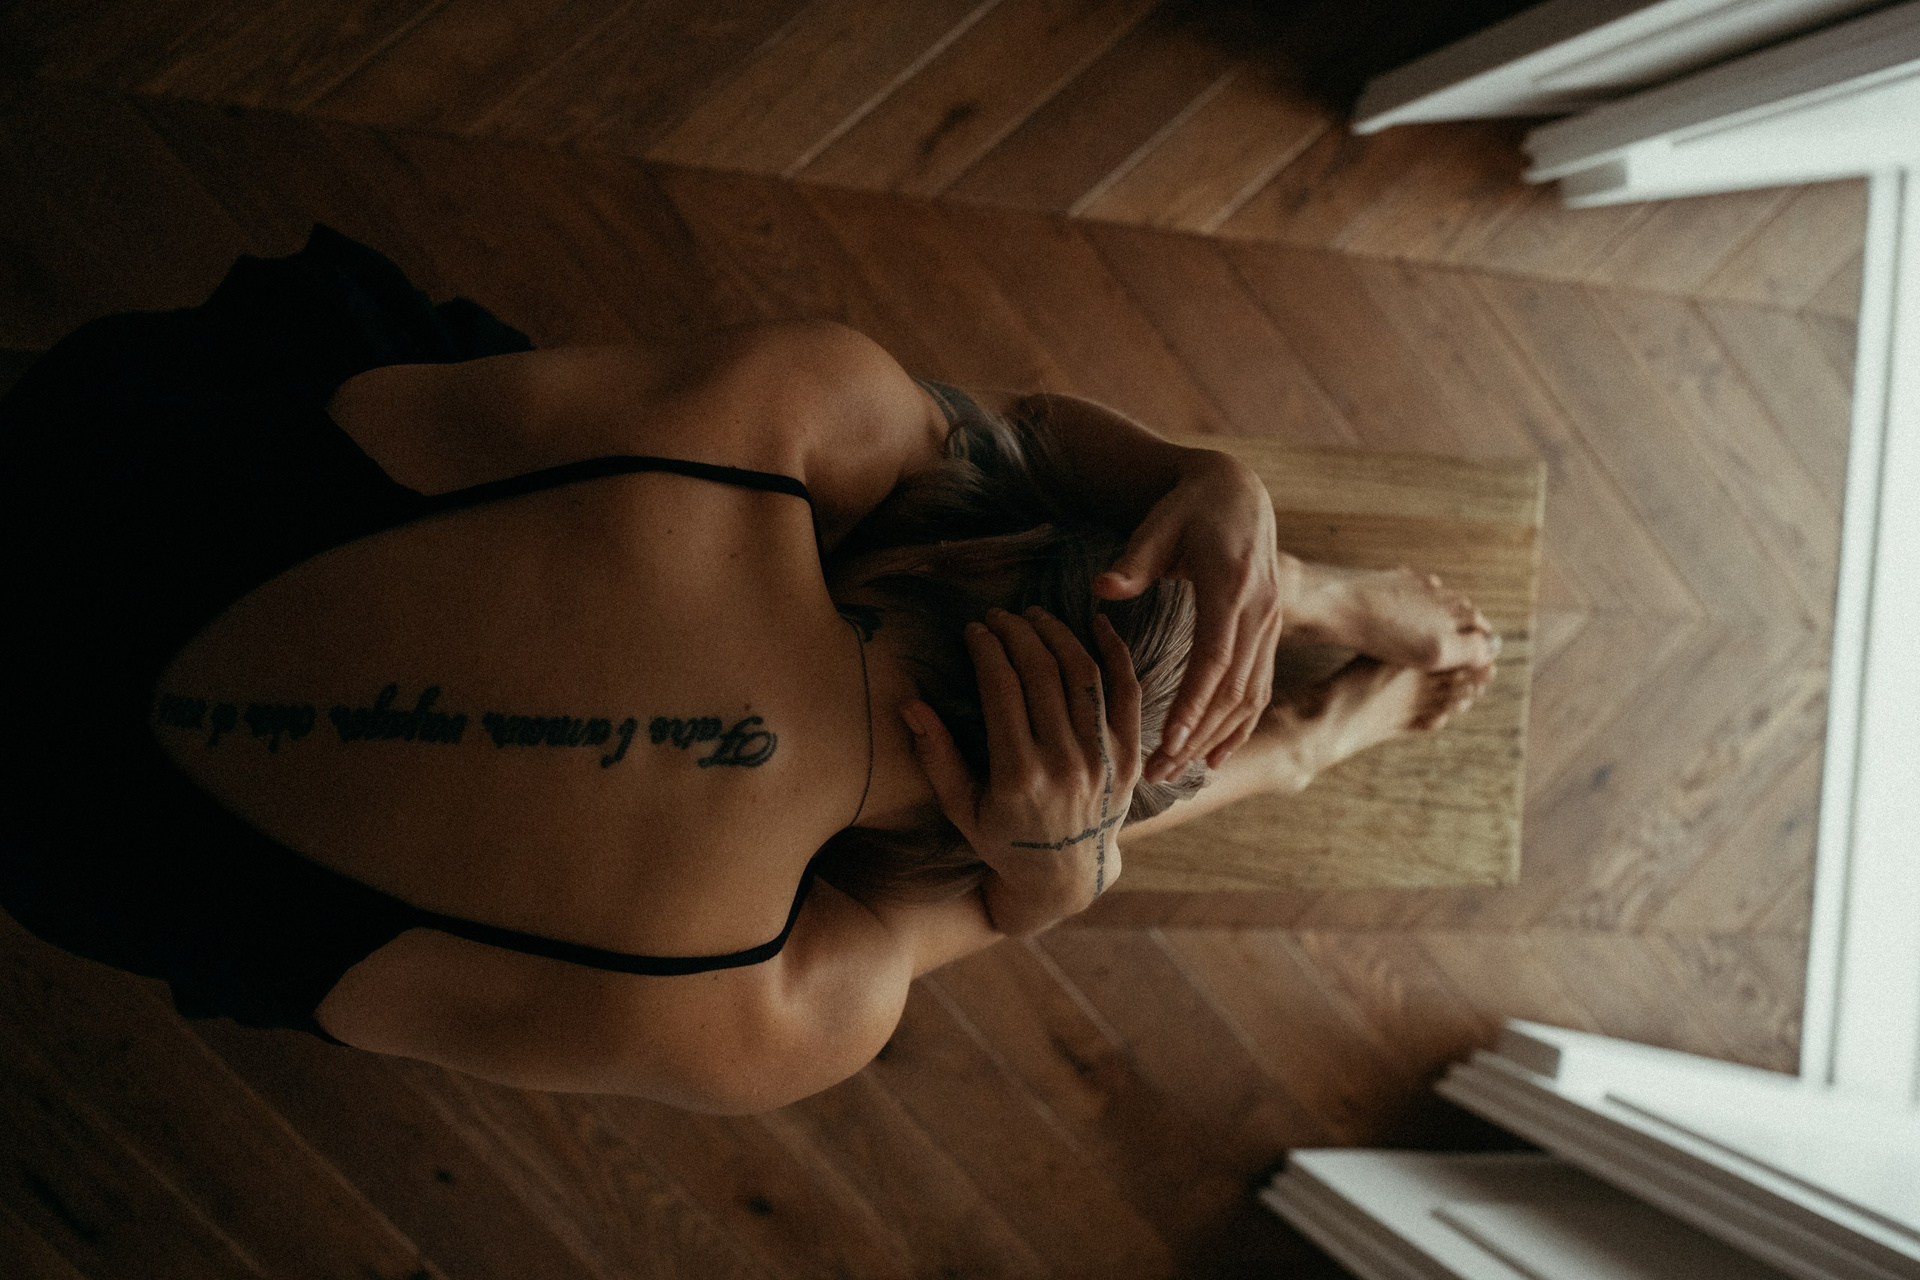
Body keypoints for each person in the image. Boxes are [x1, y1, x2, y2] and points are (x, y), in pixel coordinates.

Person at [0, 228, 1495, 1112]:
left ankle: (1287, 621)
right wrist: (1062, 873)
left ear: (968, 535)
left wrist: (1208, 482)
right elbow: (1002, 886)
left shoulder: (780, 422)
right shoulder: (785, 1013)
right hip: (63, 836)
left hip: (78, 488)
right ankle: (1289, 744)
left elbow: (1022, 431)